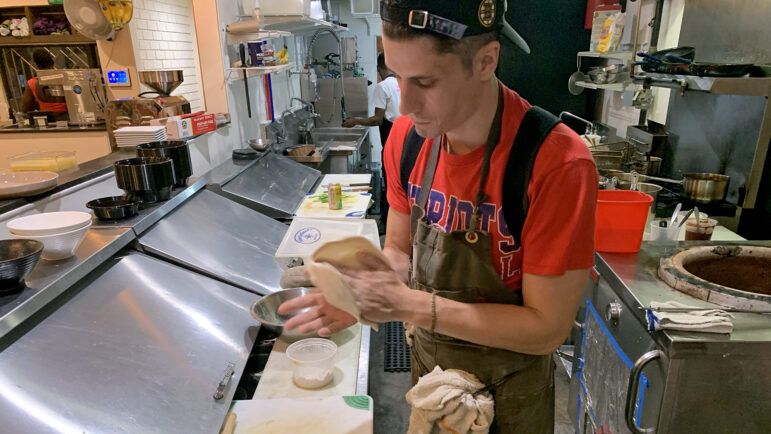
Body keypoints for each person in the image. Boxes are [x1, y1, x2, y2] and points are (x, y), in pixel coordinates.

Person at [279, 1, 597, 432]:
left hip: (511, 396)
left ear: (485, 61)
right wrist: (360, 288)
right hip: (430, 382)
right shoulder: (407, 141)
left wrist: (405, 304)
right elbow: (399, 250)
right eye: (396, 77)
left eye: (425, 81)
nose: (406, 103)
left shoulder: (555, 163)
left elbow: (547, 329)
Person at [342, 52, 401, 229]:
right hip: (408, 137)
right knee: (402, 181)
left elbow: (377, 120)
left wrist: (355, 121)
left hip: (392, 139)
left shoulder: (382, 87)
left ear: (379, 68)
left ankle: (386, 223)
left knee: (390, 181)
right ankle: (400, 223)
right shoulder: (402, 82)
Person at [21, 49, 68, 119]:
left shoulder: (32, 83)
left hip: (49, 120)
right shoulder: (64, 77)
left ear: (36, 65)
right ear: (52, 62)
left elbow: (26, 109)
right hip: (68, 118)